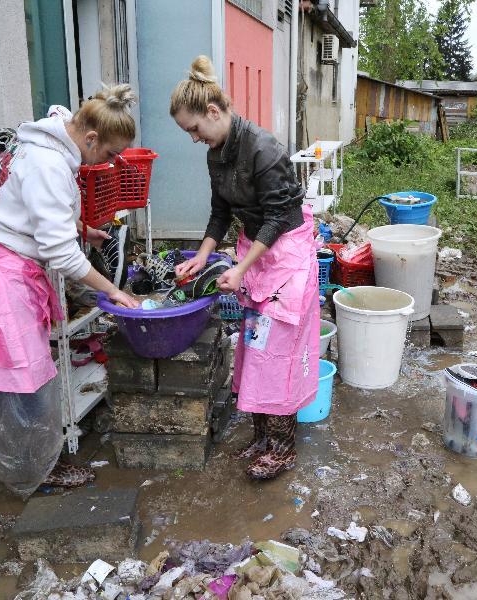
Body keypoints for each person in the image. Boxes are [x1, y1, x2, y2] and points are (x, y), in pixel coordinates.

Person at [0, 85, 140, 493]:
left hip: (3, 255)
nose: (111, 162)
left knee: (27, 368)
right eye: (111, 153)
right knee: (24, 377)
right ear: (90, 138)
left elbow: (34, 213)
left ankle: (38, 458)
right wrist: (113, 292)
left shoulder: (46, 138)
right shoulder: (49, 163)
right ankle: (36, 470)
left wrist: (85, 232)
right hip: (5, 274)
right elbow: (62, 257)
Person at [171, 55, 319, 481]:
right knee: (254, 346)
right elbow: (220, 211)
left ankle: (284, 448)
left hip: (285, 255)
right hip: (256, 255)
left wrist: (240, 267)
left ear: (213, 112)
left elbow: (277, 218)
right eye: (188, 132)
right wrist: (203, 255)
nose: (194, 138)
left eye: (195, 128)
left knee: (282, 353)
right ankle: (261, 439)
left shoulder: (264, 148)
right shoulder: (217, 153)